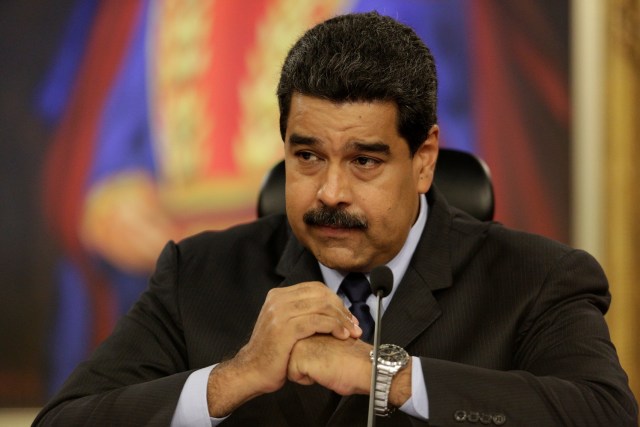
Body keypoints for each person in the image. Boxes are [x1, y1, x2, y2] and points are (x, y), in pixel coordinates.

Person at [33, 11, 638, 426]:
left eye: (365, 161)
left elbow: (605, 415)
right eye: (307, 156)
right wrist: (233, 378)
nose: (330, 191)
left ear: (423, 160)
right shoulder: (199, 274)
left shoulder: (536, 278)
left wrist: (387, 375)